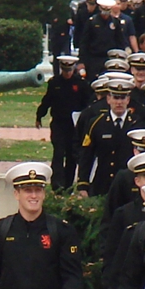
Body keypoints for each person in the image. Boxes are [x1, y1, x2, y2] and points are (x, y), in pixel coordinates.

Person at [37, 56, 92, 191]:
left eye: (69, 70)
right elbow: (47, 101)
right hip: (58, 124)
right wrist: (39, 115)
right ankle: (57, 184)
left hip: (74, 126)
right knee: (58, 153)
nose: (67, 73)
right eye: (65, 70)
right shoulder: (54, 82)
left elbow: (88, 104)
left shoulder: (81, 84)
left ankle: (68, 184)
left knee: (72, 155)